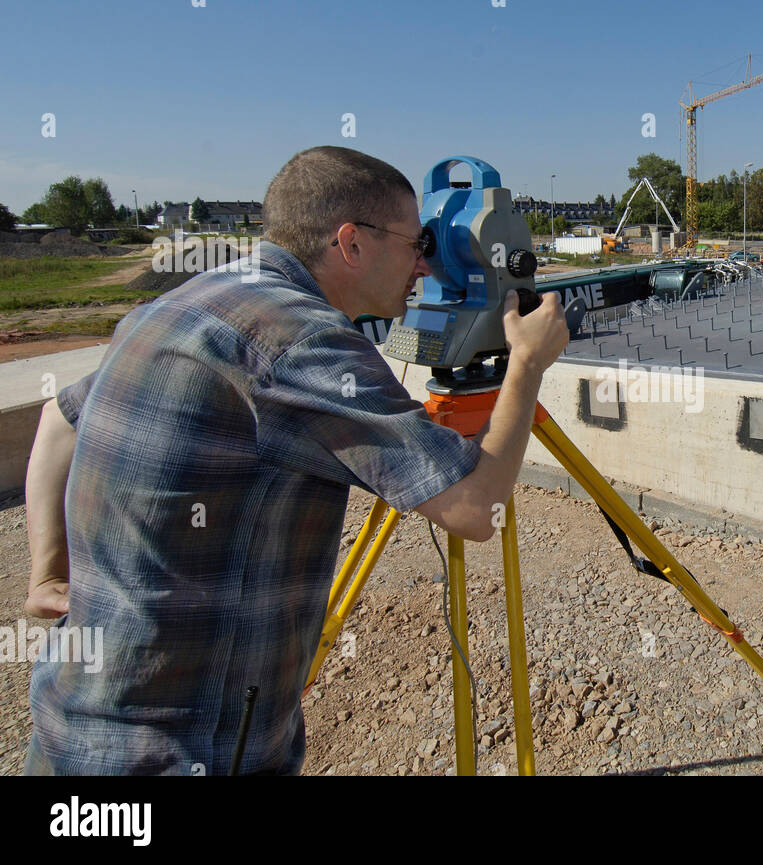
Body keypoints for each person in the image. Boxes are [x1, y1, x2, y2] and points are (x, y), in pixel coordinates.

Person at [22, 145, 569, 775]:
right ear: (351, 243)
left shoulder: (188, 300)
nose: (424, 262)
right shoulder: (304, 342)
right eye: (415, 241)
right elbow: (476, 507)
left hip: (73, 730)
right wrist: (526, 365)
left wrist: (46, 572)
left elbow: (58, 423)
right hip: (183, 754)